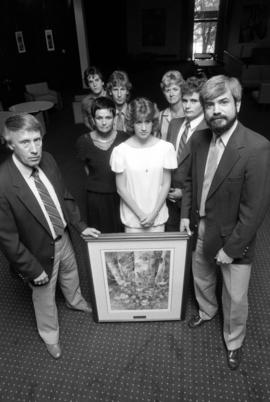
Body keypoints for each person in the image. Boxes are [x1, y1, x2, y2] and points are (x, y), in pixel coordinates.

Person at [180, 75, 270, 370]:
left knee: (235, 296)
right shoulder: (199, 139)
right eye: (210, 104)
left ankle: (234, 340)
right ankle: (206, 311)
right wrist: (184, 215)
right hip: (201, 225)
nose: (216, 110)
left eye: (223, 102)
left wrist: (231, 249)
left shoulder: (257, 148)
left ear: (238, 104)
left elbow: (254, 210)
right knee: (202, 275)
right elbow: (191, 181)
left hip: (235, 236)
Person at [0, 114, 100, 360]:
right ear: (9, 143)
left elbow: (63, 196)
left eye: (37, 140)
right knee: (44, 298)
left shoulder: (49, 160)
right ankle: (50, 336)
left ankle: (75, 300)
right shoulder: (2, 183)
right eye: (25, 142)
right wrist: (32, 269)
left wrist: (79, 225)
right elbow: (8, 241)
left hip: (63, 236)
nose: (34, 149)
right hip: (36, 253)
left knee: (71, 271)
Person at [110, 97, 177, 233]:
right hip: (132, 221)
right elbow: (121, 188)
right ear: (131, 123)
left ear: (153, 122)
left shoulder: (166, 148)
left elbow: (166, 184)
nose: (144, 128)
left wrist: (153, 214)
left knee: (160, 255)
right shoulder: (120, 151)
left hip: (158, 219)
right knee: (132, 255)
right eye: (138, 122)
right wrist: (141, 215)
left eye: (147, 121)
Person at [76, 96, 128, 233]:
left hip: (120, 194)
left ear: (114, 118)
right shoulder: (83, 141)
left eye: (108, 117)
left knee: (122, 235)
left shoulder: (124, 139)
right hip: (96, 198)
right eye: (99, 118)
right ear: (93, 119)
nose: (104, 122)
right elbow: (86, 169)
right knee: (100, 237)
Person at [166, 76, 208, 231]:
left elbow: (208, 173)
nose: (187, 106)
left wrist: (183, 193)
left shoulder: (209, 131)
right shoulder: (174, 124)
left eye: (193, 101)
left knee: (189, 250)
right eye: (184, 100)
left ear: (203, 103)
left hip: (192, 202)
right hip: (169, 198)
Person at [158, 70, 185, 140]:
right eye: (167, 90)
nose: (171, 94)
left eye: (175, 89)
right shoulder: (160, 116)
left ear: (181, 90)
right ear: (164, 93)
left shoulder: (190, 112)